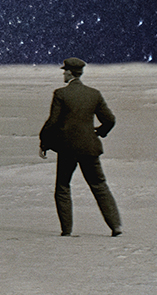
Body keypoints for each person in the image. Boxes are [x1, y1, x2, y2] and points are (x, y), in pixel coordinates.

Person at [38, 57, 122, 236]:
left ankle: (66, 231)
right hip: (90, 147)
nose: (63, 73)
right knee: (99, 185)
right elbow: (110, 120)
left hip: (68, 148)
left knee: (63, 187)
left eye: (64, 71)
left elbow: (53, 122)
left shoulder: (61, 94)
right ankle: (116, 227)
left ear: (69, 72)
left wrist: (44, 142)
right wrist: (99, 132)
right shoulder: (94, 94)